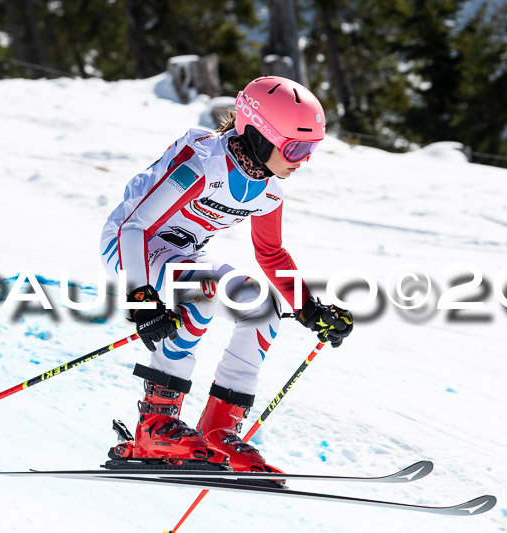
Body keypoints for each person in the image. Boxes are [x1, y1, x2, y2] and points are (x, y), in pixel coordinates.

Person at [99, 76, 353, 473]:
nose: (303, 159)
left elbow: (270, 252)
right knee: (204, 290)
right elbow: (134, 227)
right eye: (296, 146)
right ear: (258, 133)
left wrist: (308, 308)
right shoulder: (202, 165)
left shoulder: (269, 190)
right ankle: (156, 424)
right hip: (133, 248)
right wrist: (142, 297)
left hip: (181, 255)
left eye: (311, 148)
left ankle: (219, 431)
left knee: (262, 308)